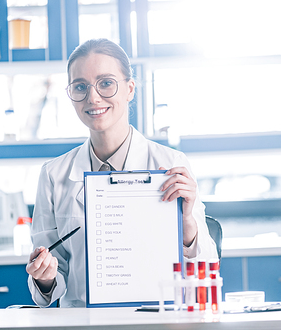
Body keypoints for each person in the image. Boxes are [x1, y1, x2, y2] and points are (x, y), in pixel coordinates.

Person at [26, 38, 218, 308]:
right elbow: (50, 281)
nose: (93, 97)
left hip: (157, 320)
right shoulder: (53, 175)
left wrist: (186, 223)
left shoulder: (170, 163)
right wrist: (44, 277)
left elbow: (207, 268)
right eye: (80, 87)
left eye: (106, 83)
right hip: (83, 324)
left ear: (129, 89)